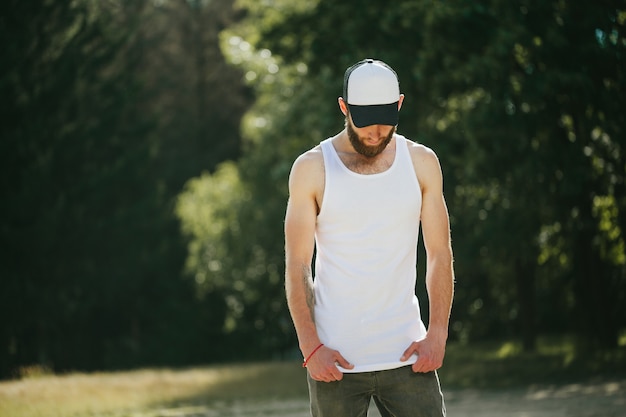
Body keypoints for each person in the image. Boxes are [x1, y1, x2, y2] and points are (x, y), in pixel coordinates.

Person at [284, 58, 455, 417]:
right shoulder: (312, 168)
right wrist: (310, 347)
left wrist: (438, 332)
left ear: (399, 105)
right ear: (344, 108)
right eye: (364, 122)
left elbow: (439, 253)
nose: (375, 132)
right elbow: (298, 264)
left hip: (408, 355)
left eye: (384, 120)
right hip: (334, 362)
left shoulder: (422, 162)